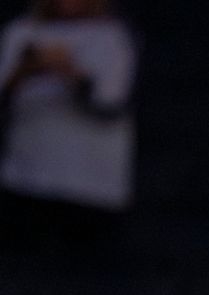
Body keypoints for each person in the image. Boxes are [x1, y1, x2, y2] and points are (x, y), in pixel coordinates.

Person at [0, 0, 136, 254]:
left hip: (90, 184)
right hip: (28, 177)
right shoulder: (21, 32)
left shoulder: (109, 37)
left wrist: (68, 70)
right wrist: (25, 71)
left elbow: (108, 104)